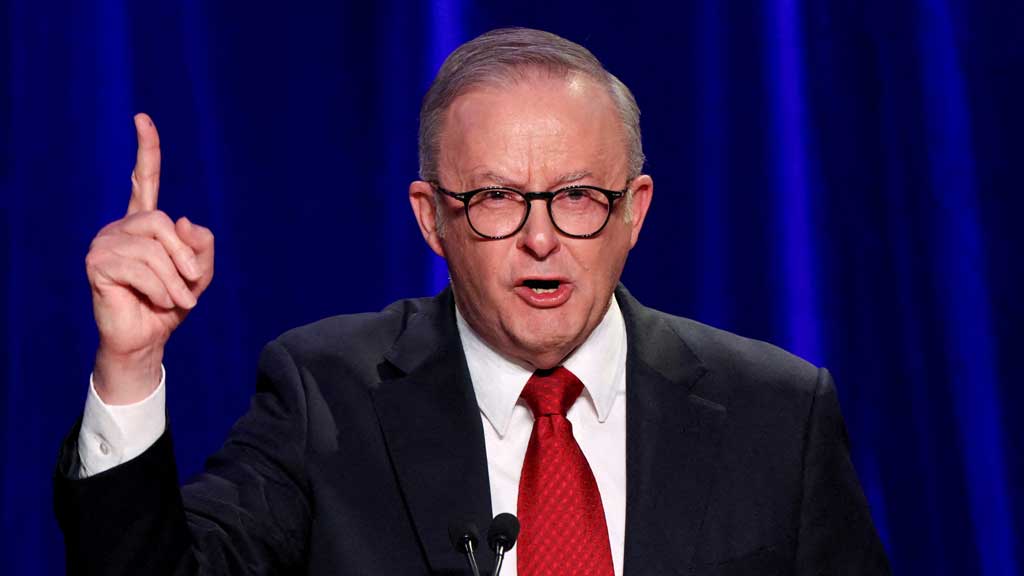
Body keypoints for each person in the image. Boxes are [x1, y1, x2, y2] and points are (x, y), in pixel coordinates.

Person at [55, 28, 890, 575]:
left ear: (634, 209)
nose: (541, 239)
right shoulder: (327, 397)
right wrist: (130, 364)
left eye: (577, 195)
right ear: (431, 219)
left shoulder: (777, 414)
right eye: (495, 198)